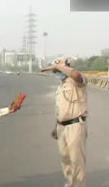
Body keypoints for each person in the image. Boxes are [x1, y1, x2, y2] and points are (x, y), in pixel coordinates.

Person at [41, 57, 88, 187]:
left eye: (57, 71)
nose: (56, 73)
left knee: (77, 163)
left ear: (67, 67)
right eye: (54, 72)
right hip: (62, 127)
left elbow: (76, 75)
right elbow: (60, 109)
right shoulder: (61, 86)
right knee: (66, 162)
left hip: (75, 126)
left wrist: (60, 66)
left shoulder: (77, 81)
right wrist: (56, 127)